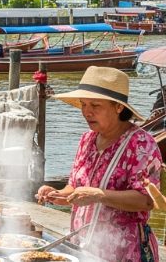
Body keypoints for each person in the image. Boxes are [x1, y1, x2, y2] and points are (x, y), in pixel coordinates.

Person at [36, 67, 161, 262]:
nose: (87, 112)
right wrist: (60, 195)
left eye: (95, 105)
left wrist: (98, 195)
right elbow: (75, 187)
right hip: (82, 244)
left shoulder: (142, 144)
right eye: (84, 104)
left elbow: (146, 200)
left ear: (119, 107)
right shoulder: (87, 139)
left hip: (123, 251)